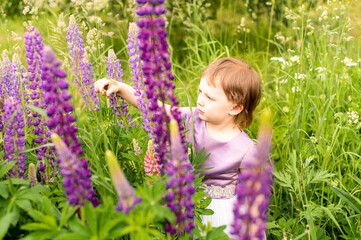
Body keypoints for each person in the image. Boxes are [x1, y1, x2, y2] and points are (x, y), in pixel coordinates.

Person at [94, 57, 261, 237]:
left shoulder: (247, 149)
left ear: (235, 108)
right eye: (200, 92)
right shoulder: (192, 116)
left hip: (221, 214)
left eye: (210, 98)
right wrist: (121, 88)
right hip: (185, 201)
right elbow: (154, 108)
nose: (200, 101)